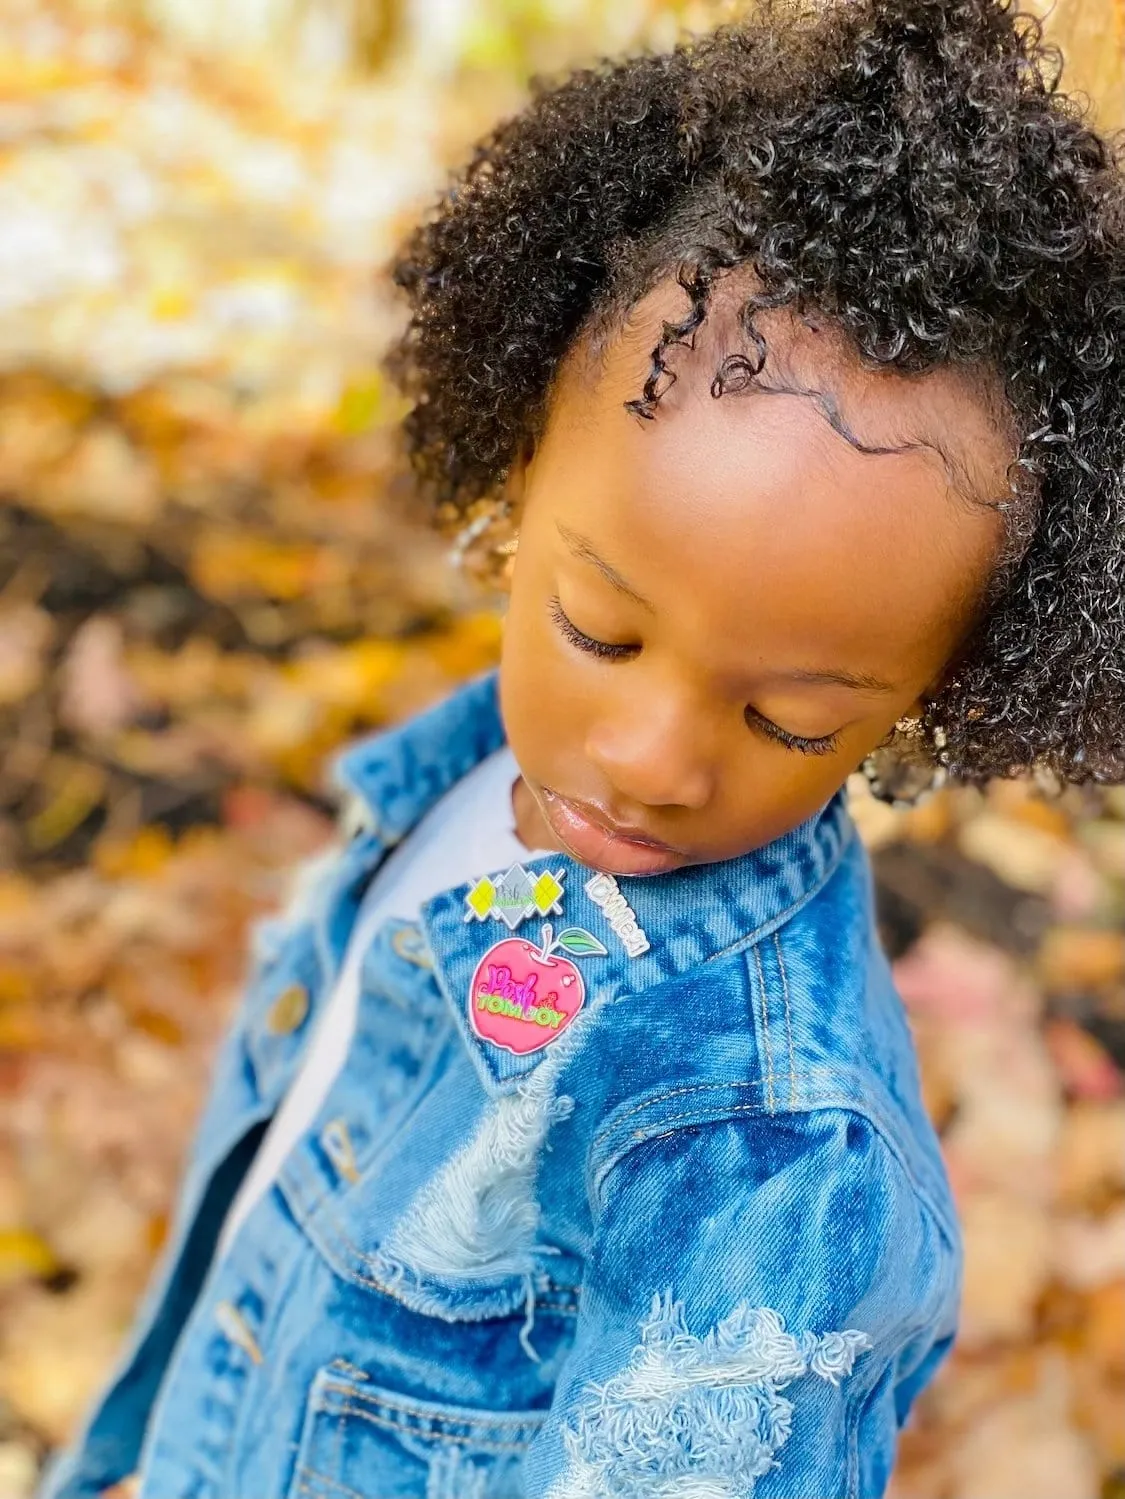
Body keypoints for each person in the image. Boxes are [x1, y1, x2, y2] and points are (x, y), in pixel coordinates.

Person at [42, 0, 1125, 1495]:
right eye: (600, 629)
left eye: (791, 719)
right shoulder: (449, 784)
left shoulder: (763, 1166)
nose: (654, 753)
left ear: (941, 687)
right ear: (521, 459)